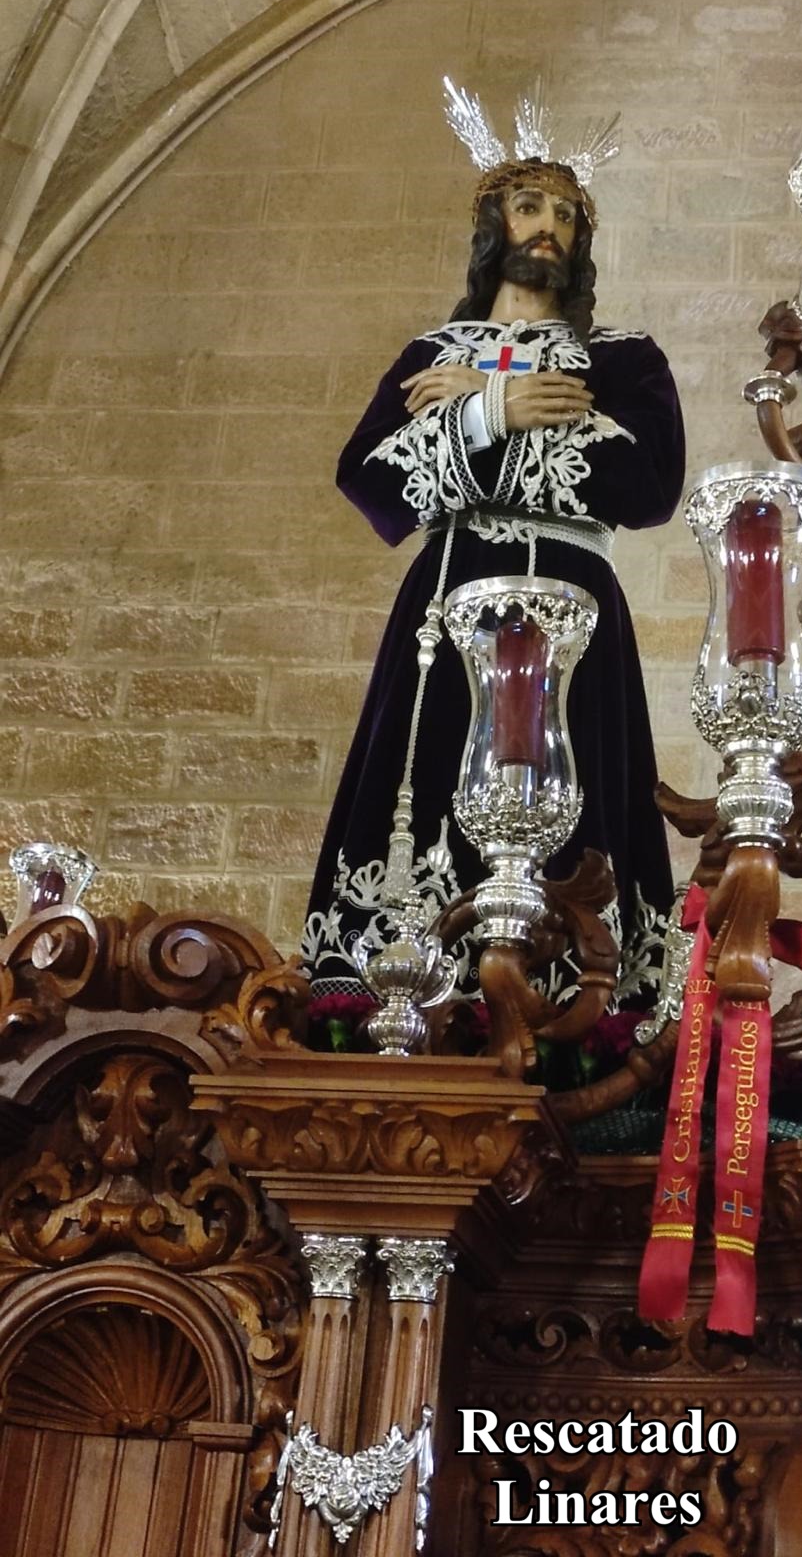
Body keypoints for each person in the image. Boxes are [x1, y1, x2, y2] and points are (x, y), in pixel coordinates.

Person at [302, 84, 686, 1013]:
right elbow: (372, 482)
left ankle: (579, 989)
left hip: (572, 606)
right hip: (448, 598)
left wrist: (471, 424)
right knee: (424, 782)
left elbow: (646, 484)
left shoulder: (624, 358)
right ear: (493, 227)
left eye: (564, 214)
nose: (547, 226)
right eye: (528, 206)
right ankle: (403, 986)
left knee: (579, 786)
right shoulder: (429, 354)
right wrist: (494, 410)